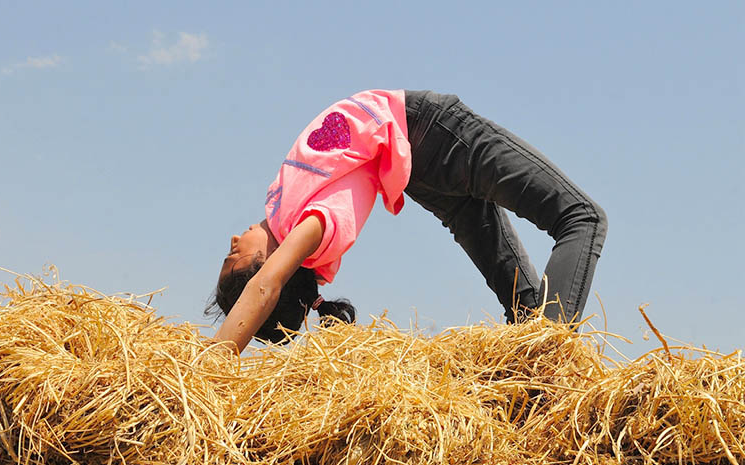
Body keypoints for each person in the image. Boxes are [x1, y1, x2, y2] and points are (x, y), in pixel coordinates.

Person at [207, 90, 607, 353]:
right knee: (581, 218)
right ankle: (550, 361)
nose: (232, 240)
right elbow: (265, 287)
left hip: (418, 169)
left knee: (524, 307)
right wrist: (202, 375)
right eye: (232, 257)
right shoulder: (313, 227)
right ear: (267, 265)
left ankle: (532, 388)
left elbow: (265, 283)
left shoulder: (282, 207)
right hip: (433, 134)